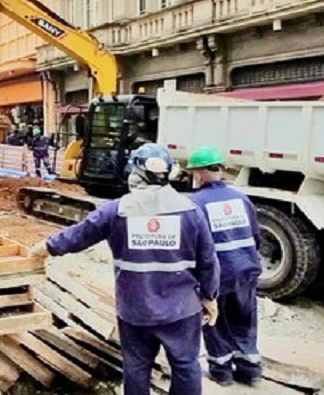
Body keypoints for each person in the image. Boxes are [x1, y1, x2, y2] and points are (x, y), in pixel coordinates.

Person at [29, 143, 221, 395]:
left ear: (135, 172)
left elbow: (78, 236)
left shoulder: (117, 210)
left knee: (137, 367)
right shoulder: (190, 211)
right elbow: (208, 261)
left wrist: (43, 248)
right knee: (185, 365)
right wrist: (210, 296)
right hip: (181, 310)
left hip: (135, 309)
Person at [185, 146, 262, 387]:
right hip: (246, 270)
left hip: (217, 275)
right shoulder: (241, 199)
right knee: (244, 318)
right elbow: (256, 236)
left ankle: (222, 371)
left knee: (215, 320)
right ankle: (250, 369)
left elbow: (192, 245)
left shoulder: (194, 202)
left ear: (198, 174)